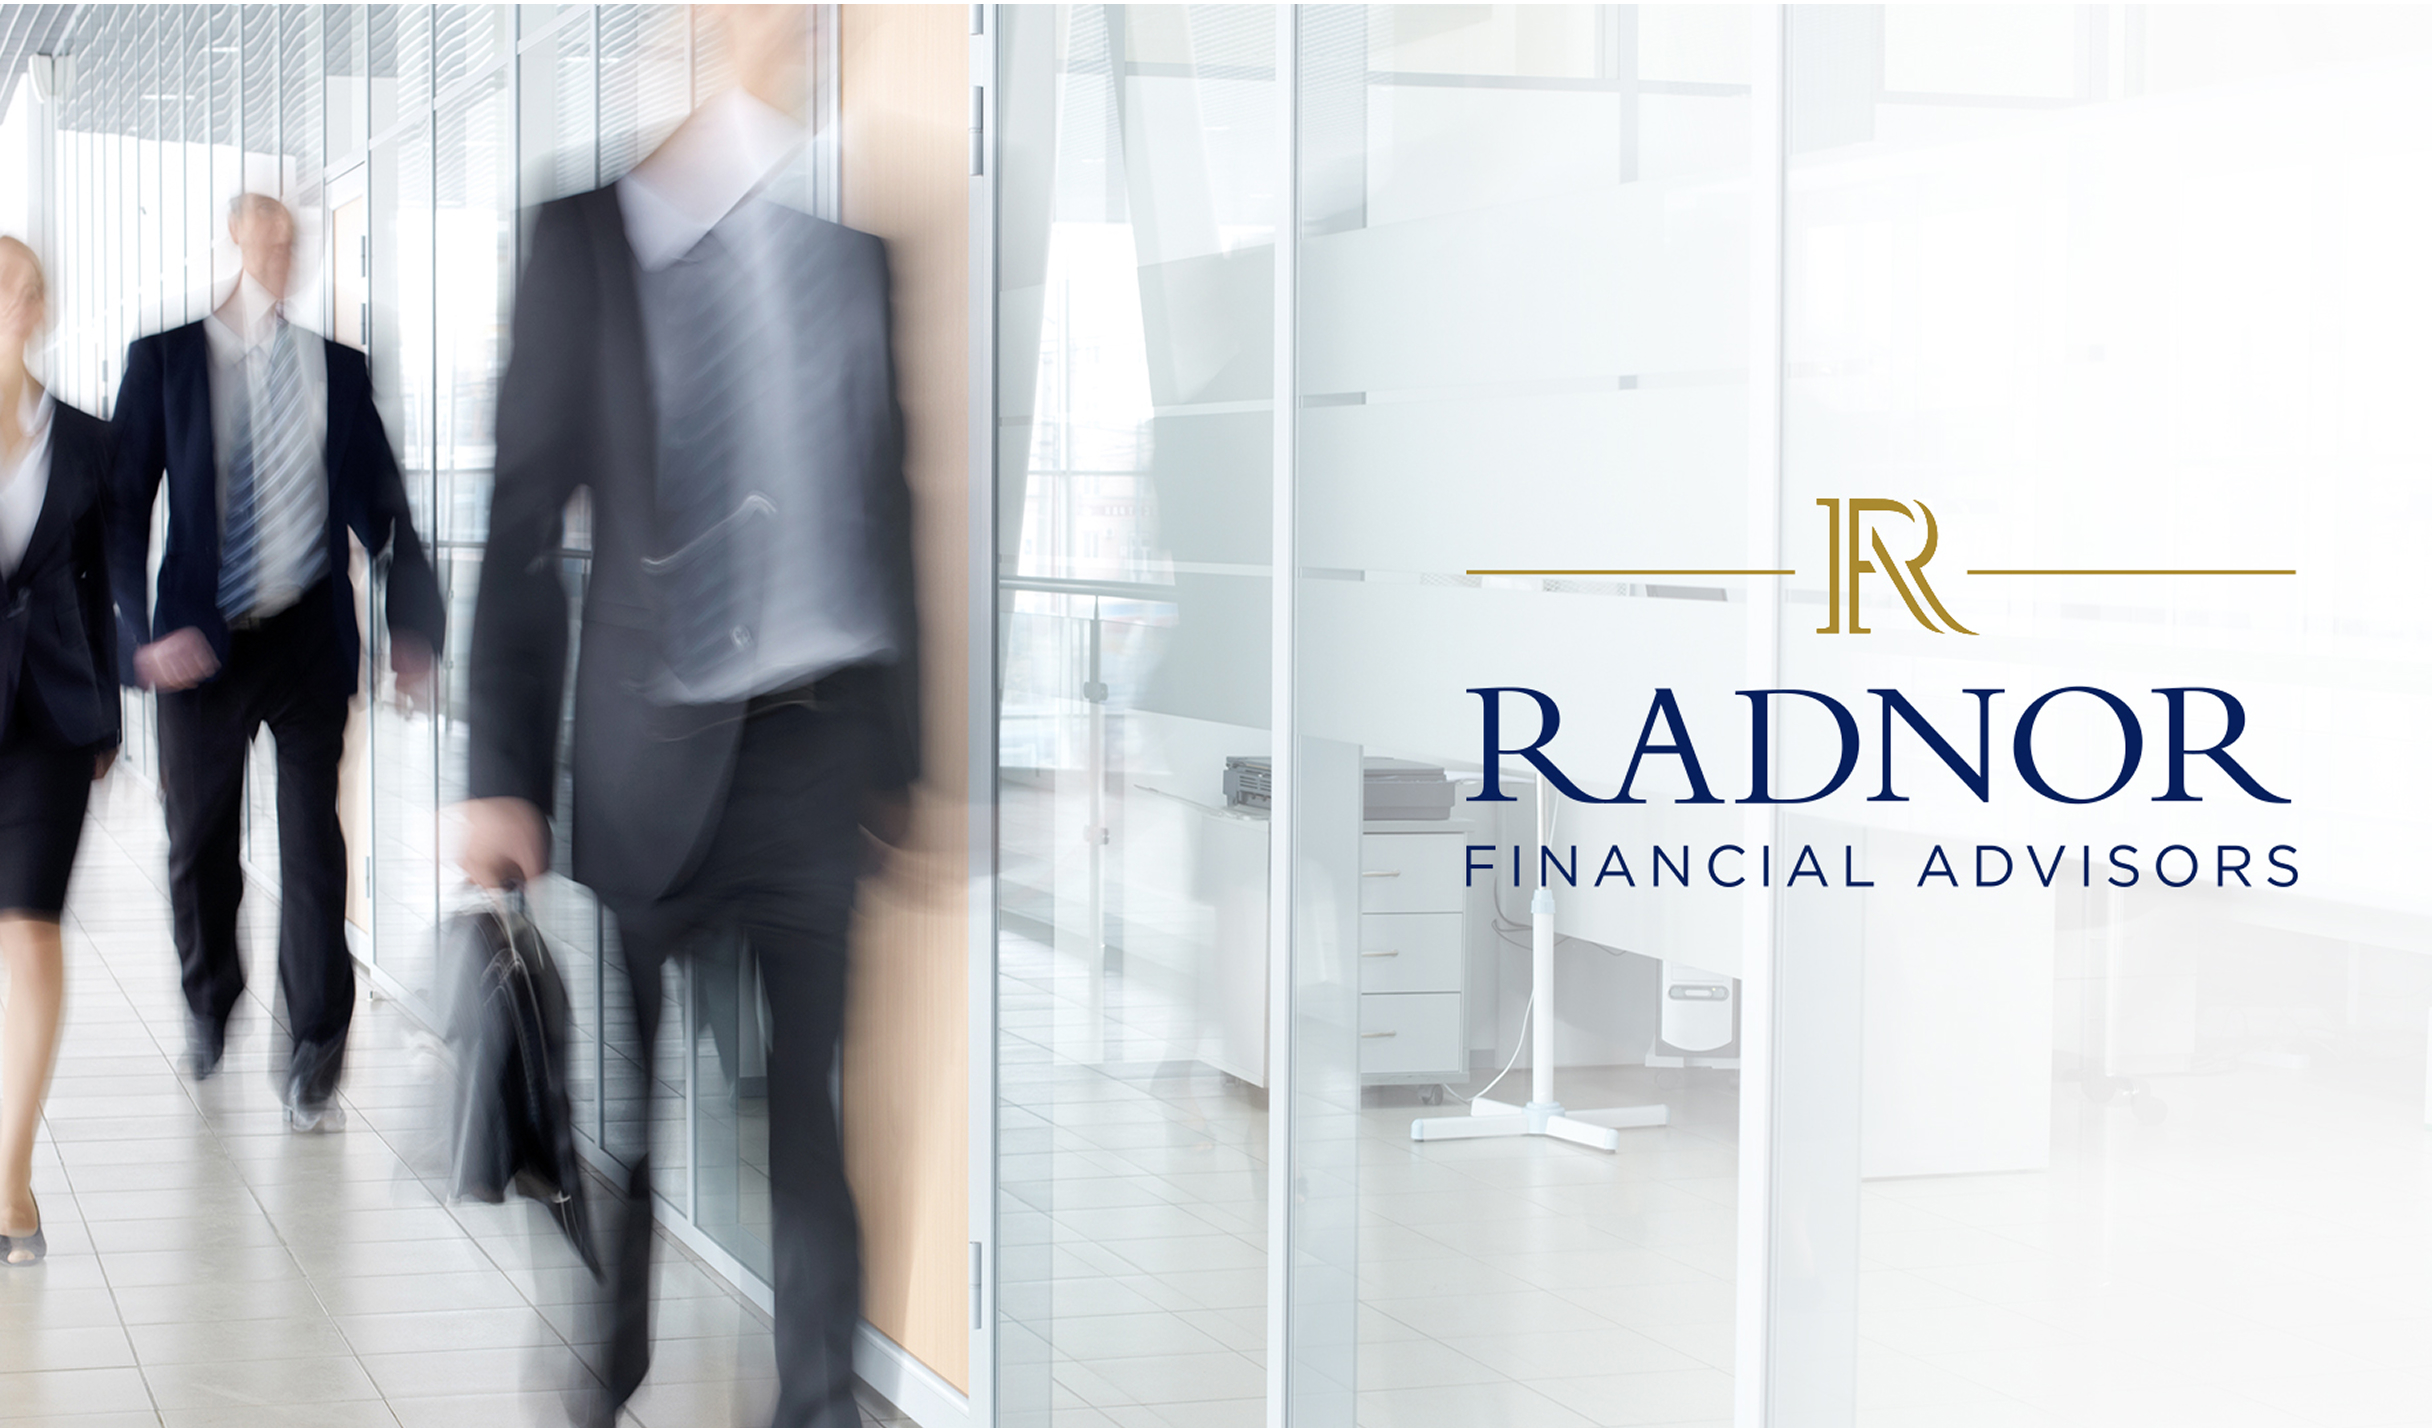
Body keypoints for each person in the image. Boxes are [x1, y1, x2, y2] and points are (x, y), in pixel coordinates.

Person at [456, 6, 918, 1424]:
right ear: (701, 35)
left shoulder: (850, 262)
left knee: (805, 1110)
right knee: (625, 1108)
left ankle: (817, 1400)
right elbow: (522, 530)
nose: (801, 40)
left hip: (816, 745)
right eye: (770, 18)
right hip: (648, 756)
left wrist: (906, 760)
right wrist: (500, 770)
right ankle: (607, 1362)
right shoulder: (589, 239)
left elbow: (888, 512)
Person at [109, 193, 444, 1131]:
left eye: (296, 240)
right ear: (235, 237)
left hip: (306, 637)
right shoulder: (167, 360)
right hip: (199, 646)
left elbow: (384, 506)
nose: (285, 251)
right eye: (270, 235)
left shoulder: (336, 369)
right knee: (199, 847)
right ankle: (210, 997)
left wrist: (412, 627)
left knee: (313, 848)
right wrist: (138, 637)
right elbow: (123, 508)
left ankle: (315, 1052)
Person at [0, 237, 118, 1266]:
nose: (11, 300)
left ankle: (10, 1175)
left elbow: (98, 584)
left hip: (48, 719)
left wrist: (107, 720)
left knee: (30, 930)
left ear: (38, 307)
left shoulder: (85, 439)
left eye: (21, 286)